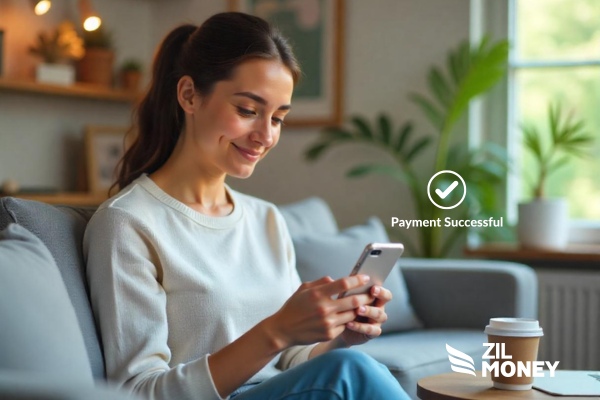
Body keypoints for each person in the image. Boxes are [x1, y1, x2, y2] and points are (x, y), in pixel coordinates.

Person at [84, 12, 410, 400]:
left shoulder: (266, 218)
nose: (265, 135)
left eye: (278, 118)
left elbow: (290, 360)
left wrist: (339, 338)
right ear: (189, 94)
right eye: (248, 110)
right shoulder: (128, 224)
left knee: (351, 365)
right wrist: (277, 330)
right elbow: (139, 392)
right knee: (351, 373)